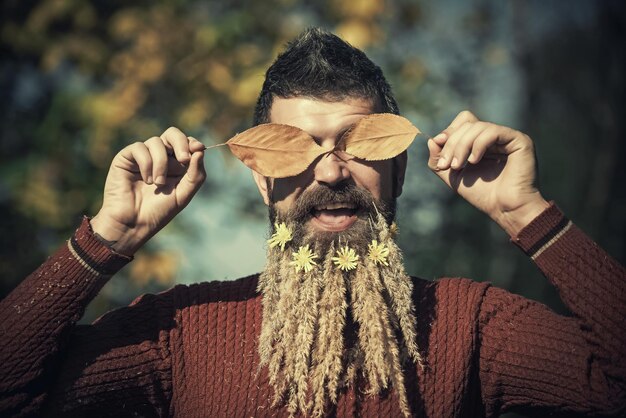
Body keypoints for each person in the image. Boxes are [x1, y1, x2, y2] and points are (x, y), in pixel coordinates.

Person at [0, 28, 624, 418]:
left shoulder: (474, 326)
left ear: (399, 169)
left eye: (361, 145)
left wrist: (529, 215)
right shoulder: (179, 332)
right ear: (260, 175)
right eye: (294, 148)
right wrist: (107, 240)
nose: (330, 173)